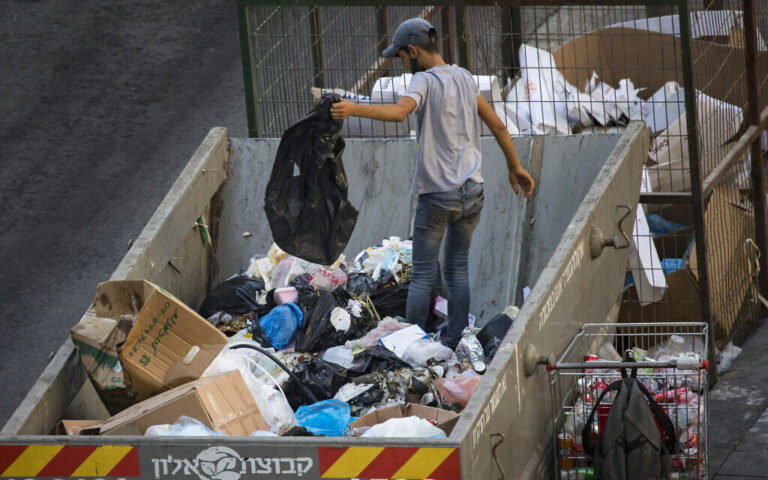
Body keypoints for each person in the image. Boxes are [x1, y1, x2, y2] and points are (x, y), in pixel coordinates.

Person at [331, 18, 534, 349]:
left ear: (412, 51)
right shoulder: (465, 78)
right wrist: (515, 167)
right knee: (457, 271)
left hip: (437, 197)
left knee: (424, 275)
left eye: (401, 57)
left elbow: (399, 113)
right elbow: (498, 125)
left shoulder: (423, 81)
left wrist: (353, 108)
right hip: (472, 193)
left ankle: (411, 346)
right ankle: (455, 343)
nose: (403, 64)